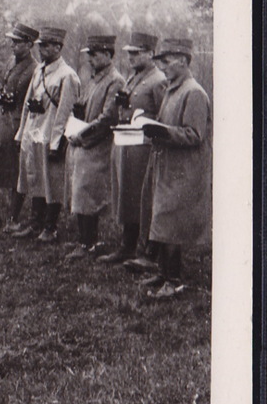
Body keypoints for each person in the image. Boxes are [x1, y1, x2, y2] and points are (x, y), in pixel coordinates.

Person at [128, 39, 211, 298]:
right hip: (165, 164)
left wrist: (162, 132)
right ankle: (163, 273)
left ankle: (174, 281)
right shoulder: (173, 90)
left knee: (171, 222)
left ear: (183, 61)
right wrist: (152, 125)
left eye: (166, 61)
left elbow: (194, 135)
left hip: (182, 170)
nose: (161, 66)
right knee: (160, 217)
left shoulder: (193, 92)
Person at [96, 32, 167, 264]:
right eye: (129, 54)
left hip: (143, 147)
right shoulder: (133, 78)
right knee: (127, 197)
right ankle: (127, 246)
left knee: (142, 198)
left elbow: (162, 116)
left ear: (150, 53)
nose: (131, 58)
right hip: (126, 144)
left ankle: (148, 250)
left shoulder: (157, 80)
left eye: (137, 53)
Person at [13, 27, 80, 242]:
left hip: (51, 132)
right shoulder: (39, 70)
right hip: (34, 130)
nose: (43, 49)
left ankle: (50, 227)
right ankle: (35, 222)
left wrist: (57, 141)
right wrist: (21, 132)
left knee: (52, 181)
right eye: (41, 45)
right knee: (36, 177)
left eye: (48, 45)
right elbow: (27, 103)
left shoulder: (67, 75)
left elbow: (65, 112)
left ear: (59, 47)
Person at [63, 35, 125, 260]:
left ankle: (88, 242)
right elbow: (83, 106)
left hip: (98, 144)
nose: (90, 59)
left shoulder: (115, 81)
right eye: (89, 54)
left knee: (88, 193)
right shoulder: (94, 79)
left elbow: (108, 116)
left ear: (108, 55)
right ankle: (85, 240)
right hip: (83, 141)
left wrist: (83, 135)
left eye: (95, 54)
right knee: (81, 192)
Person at [0, 23, 39, 231]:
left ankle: (12, 218)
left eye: (17, 42)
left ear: (29, 45)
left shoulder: (34, 68)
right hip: (1, 121)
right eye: (12, 41)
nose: (13, 45)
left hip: (17, 124)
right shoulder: (12, 62)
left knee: (14, 175)